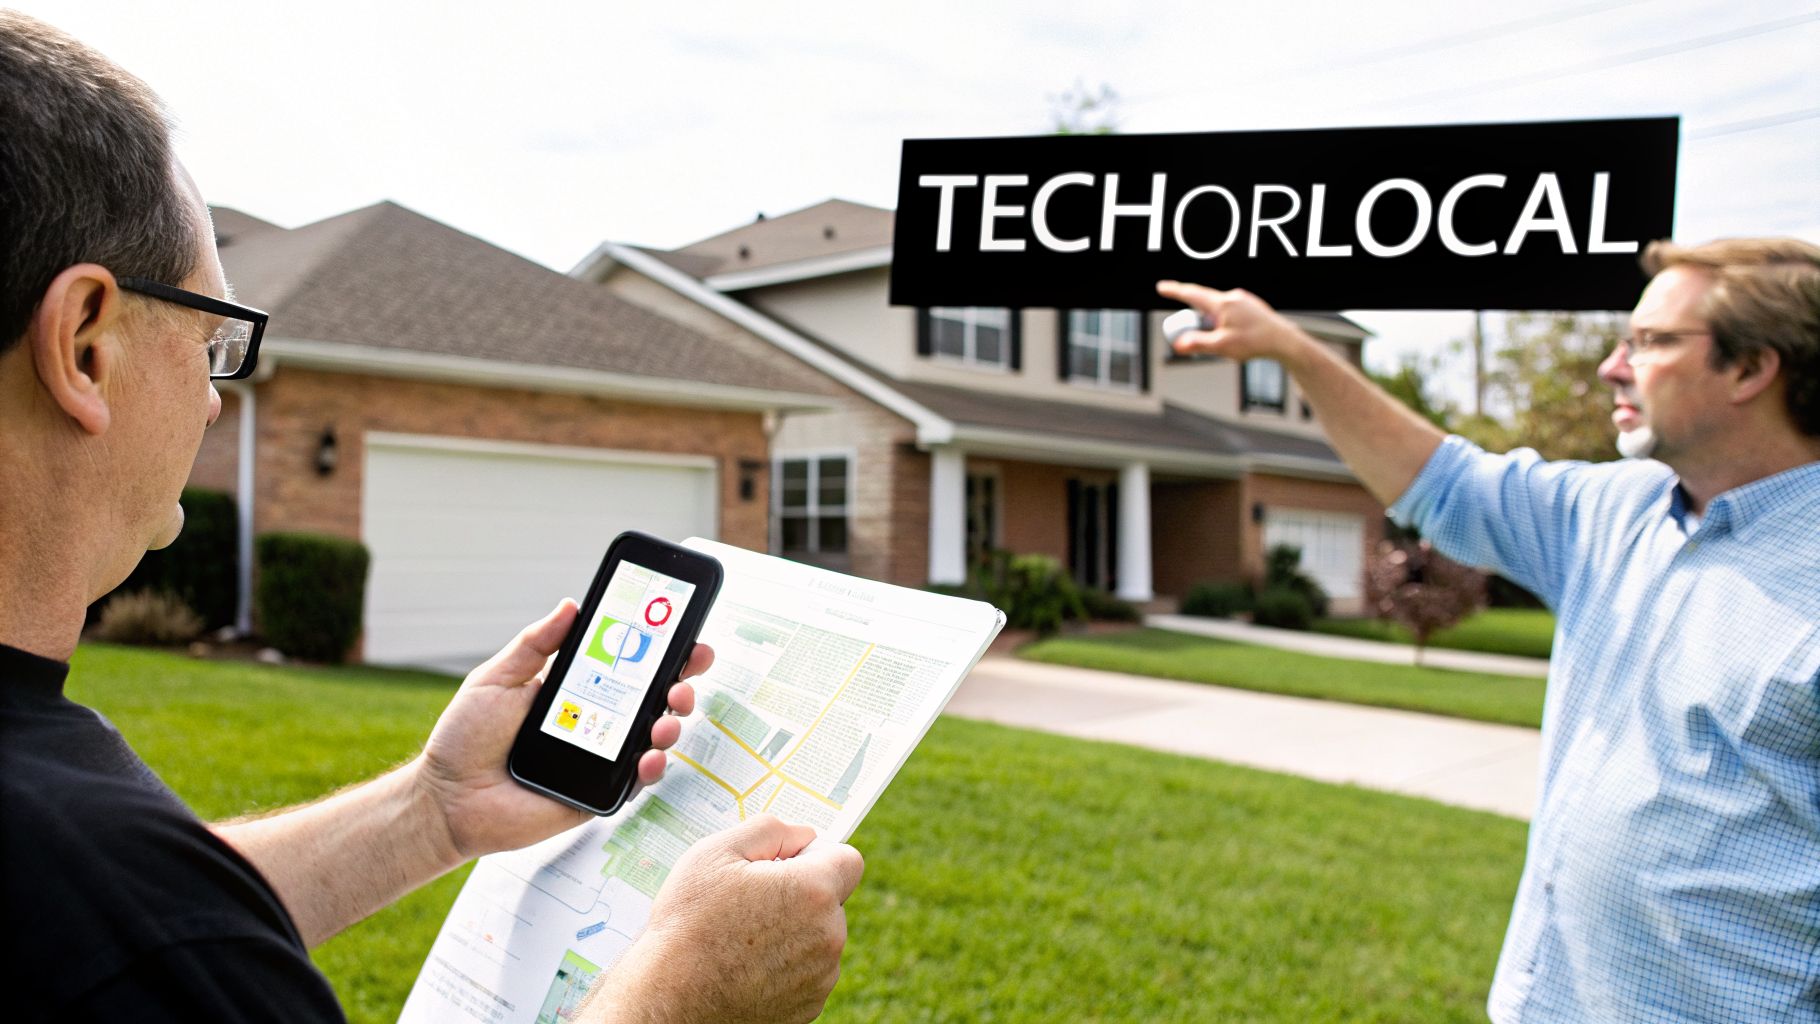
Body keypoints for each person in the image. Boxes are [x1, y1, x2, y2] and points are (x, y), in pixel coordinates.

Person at [0, 12, 861, 1023]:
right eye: (211, 338)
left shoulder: (78, 874)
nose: (214, 399)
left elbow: (132, 933)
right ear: (87, 346)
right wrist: (678, 995)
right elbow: (141, 933)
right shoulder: (78, 862)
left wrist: (432, 811)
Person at [1159, 239, 1820, 1022]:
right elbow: (1447, 484)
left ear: (1752, 370)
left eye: (1649, 343)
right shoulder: (1612, 512)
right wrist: (1291, 349)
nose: (1612, 366)